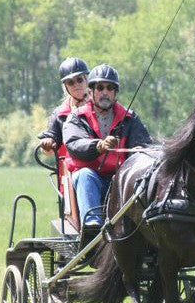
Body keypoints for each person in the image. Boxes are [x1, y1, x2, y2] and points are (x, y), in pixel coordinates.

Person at [63, 63, 152, 227]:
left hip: (120, 179)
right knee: (85, 176)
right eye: (100, 87)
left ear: (115, 93)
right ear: (91, 92)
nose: (105, 92)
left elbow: (143, 145)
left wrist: (140, 152)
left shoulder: (130, 118)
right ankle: (92, 226)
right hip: (90, 179)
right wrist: (99, 146)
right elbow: (74, 144)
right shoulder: (77, 117)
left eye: (110, 88)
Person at [38, 57, 90, 154]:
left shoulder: (101, 108)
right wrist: (46, 144)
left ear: (87, 80)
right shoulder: (59, 115)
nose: (76, 85)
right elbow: (48, 151)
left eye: (79, 80)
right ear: (65, 87)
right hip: (70, 168)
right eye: (70, 82)